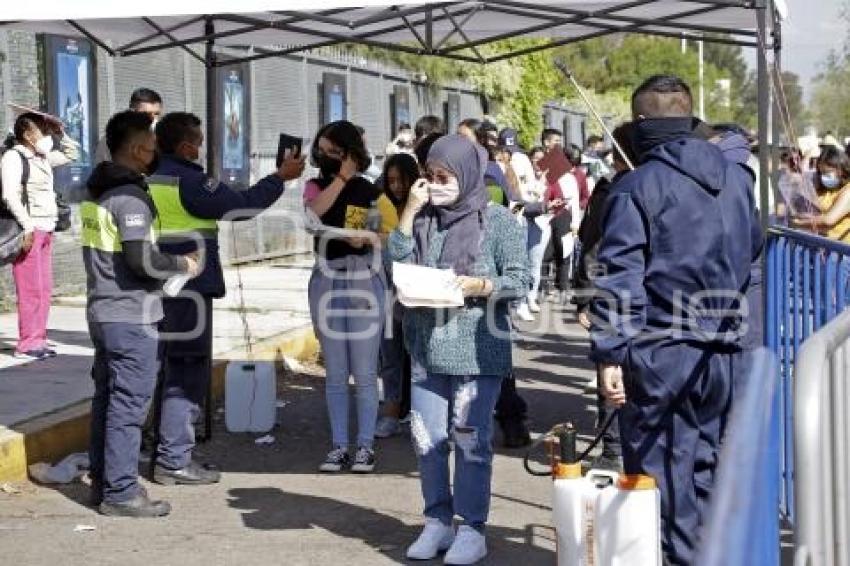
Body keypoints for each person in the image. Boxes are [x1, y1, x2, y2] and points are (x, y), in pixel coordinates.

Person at [591, 75, 760, 564]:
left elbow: (621, 278)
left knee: (661, 479)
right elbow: (752, 251)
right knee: (704, 471)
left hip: (662, 353)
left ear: (642, 124)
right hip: (724, 349)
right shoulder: (738, 180)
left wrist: (608, 357)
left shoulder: (637, 186)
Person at [388, 134, 530, 564]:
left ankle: (472, 527)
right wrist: (409, 212)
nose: (436, 184)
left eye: (444, 176)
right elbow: (397, 260)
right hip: (426, 345)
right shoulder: (425, 217)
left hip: (478, 347)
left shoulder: (499, 220)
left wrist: (481, 285)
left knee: (470, 439)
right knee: (426, 438)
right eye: (430, 177)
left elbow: (520, 281)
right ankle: (436, 521)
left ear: (467, 175)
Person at [149, 112, 305, 485]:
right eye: (199, 142)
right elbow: (242, 205)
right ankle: (173, 459)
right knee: (185, 372)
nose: (201, 148)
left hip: (151, 284)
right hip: (187, 288)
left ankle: (160, 449)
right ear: (186, 146)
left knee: (158, 370)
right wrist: (280, 177)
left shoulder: (145, 177)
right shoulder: (189, 180)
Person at [83, 110, 199, 517]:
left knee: (107, 401)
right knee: (129, 406)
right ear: (135, 149)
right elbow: (141, 260)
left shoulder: (96, 191)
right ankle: (120, 492)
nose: (155, 153)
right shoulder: (130, 197)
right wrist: (182, 265)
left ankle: (103, 482)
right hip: (130, 314)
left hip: (101, 309)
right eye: (150, 147)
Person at [305, 120, 395, 473]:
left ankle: (365, 446)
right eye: (322, 150)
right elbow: (315, 213)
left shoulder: (369, 191)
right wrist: (340, 178)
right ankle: (339, 445)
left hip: (363, 278)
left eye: (333, 151)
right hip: (326, 277)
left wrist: (369, 239)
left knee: (364, 370)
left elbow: (385, 234)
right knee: (336, 372)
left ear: (350, 153)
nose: (324, 156)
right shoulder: (315, 185)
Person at [573, 122, 637, 471]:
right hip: (611, 296)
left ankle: (618, 447)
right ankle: (612, 448)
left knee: (618, 373)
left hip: (630, 297)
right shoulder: (610, 191)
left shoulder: (633, 188)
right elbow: (591, 246)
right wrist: (585, 297)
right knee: (611, 373)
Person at [0, 112, 78, 360]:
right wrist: (28, 226)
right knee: (30, 289)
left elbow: (70, 153)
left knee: (44, 289)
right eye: (42, 132)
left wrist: (60, 132)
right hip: (30, 229)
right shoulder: (14, 157)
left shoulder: (41, 156)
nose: (46, 137)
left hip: (47, 227)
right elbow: (10, 195)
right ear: (27, 134)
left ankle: (39, 339)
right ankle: (26, 344)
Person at [375, 152, 419, 438]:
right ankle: (390, 413)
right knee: (390, 358)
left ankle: (419, 415)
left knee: (418, 358)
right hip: (388, 292)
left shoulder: (423, 210)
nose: (396, 186)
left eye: (402, 180)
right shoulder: (379, 207)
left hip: (416, 292)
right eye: (391, 180)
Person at [792, 146, 850, 242]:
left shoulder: (847, 190)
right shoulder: (824, 189)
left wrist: (799, 223)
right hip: (822, 248)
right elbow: (816, 213)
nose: (824, 177)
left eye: (828, 173)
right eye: (821, 173)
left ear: (841, 170)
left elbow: (828, 220)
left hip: (842, 251)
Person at [94, 88, 163, 165]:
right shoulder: (112, 141)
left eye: (156, 114)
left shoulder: (161, 138)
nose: (152, 119)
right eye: (146, 114)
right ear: (132, 112)